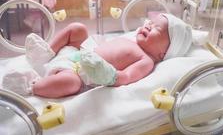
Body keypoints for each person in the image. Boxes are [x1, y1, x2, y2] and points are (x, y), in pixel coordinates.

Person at [3, 13, 192, 98]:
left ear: (165, 51)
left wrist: (106, 73)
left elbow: (125, 77)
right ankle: (47, 54)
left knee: (71, 84)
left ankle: (32, 86)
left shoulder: (146, 61)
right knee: (78, 29)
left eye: (156, 28)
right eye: (150, 22)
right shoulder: (132, 42)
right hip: (74, 53)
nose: (148, 25)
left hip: (77, 72)